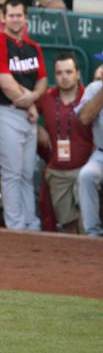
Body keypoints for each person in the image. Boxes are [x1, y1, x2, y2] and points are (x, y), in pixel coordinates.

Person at [0, 0, 47, 231]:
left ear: (25, 17)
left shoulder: (33, 46)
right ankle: (16, 225)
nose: (15, 19)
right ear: (4, 17)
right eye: (11, 15)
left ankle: (31, 223)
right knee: (12, 172)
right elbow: (6, 85)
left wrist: (33, 98)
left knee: (28, 173)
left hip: (27, 116)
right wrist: (31, 104)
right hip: (4, 112)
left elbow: (42, 80)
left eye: (19, 15)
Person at [37, 53, 93, 233]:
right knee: (66, 222)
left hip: (84, 170)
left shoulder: (89, 98)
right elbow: (26, 113)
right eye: (59, 73)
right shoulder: (46, 98)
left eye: (69, 72)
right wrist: (38, 129)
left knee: (87, 222)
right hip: (57, 172)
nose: (65, 77)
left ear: (77, 74)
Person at [75, 69, 103, 236]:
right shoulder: (94, 88)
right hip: (101, 154)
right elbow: (84, 117)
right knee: (86, 175)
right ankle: (93, 233)